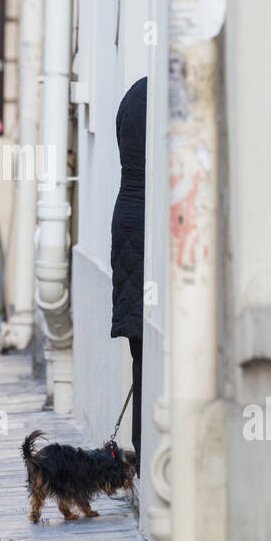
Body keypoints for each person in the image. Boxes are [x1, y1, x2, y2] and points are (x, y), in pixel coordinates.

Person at [110, 77, 147, 473]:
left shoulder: (136, 93)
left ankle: (141, 445)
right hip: (144, 229)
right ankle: (144, 448)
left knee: (139, 351)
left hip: (126, 223)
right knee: (146, 353)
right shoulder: (158, 98)